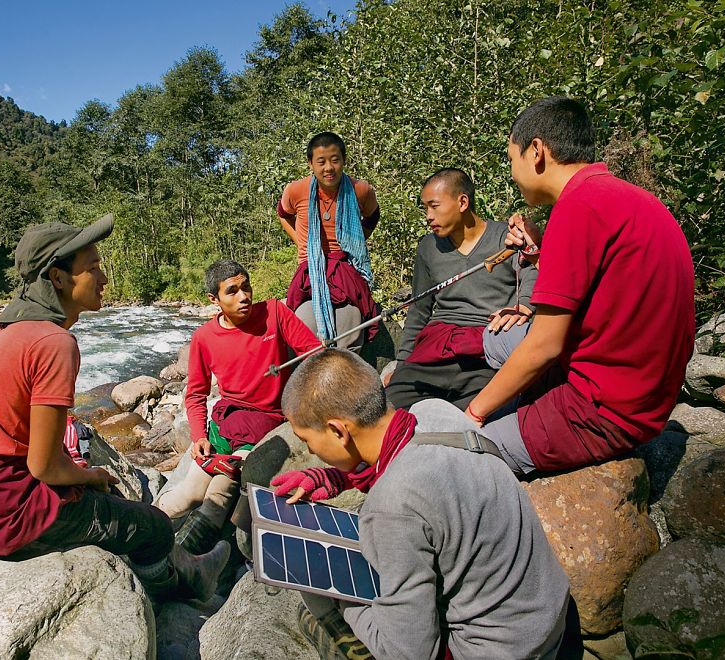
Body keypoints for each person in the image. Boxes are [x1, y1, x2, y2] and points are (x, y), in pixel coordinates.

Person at [0, 215, 229, 603]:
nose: (104, 278)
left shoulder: (0, 326)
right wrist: (89, 476)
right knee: (154, 527)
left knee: (121, 510)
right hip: (9, 515)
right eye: (92, 268)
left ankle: (182, 565)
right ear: (57, 278)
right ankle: (183, 589)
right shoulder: (53, 343)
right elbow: (43, 468)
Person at [274, 349, 571, 659]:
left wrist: (338, 589)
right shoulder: (435, 412)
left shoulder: (392, 505)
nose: (310, 450)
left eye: (307, 440)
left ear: (337, 430)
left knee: (316, 605)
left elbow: (411, 653)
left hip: (506, 652)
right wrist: (336, 478)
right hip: (548, 621)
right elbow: (408, 459)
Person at [461, 96, 695, 476]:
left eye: (511, 159)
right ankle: (516, 399)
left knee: (461, 454)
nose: (512, 171)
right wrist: (541, 253)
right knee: (497, 339)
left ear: (536, 151)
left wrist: (475, 413)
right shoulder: (626, 197)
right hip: (648, 393)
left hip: (605, 410)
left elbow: (545, 345)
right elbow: (608, 289)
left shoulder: (577, 206)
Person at [155, 260, 321, 552]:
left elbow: (314, 355)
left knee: (222, 486)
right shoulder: (204, 337)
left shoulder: (275, 313)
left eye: (246, 287)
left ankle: (189, 562)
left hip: (266, 423)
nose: (244, 296)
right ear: (214, 300)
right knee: (189, 494)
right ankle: (146, 528)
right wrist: (199, 437)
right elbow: (195, 394)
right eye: (232, 291)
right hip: (228, 421)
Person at [385, 167, 537, 411]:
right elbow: (419, 310)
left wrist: (524, 306)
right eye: (425, 208)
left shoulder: (505, 238)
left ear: (462, 202)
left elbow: (532, 271)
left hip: (485, 348)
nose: (428, 216)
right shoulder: (428, 247)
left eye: (434, 206)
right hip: (435, 350)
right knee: (389, 407)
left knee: (475, 417)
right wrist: (402, 365)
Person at [278, 131, 381, 351]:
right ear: (310, 163)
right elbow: (283, 214)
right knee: (304, 328)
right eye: (321, 162)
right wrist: (300, 242)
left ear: (344, 160)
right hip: (310, 270)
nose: (328, 168)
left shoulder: (360, 190)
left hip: (344, 267)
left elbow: (373, 216)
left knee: (351, 325)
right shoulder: (296, 190)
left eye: (335, 160)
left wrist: (356, 243)